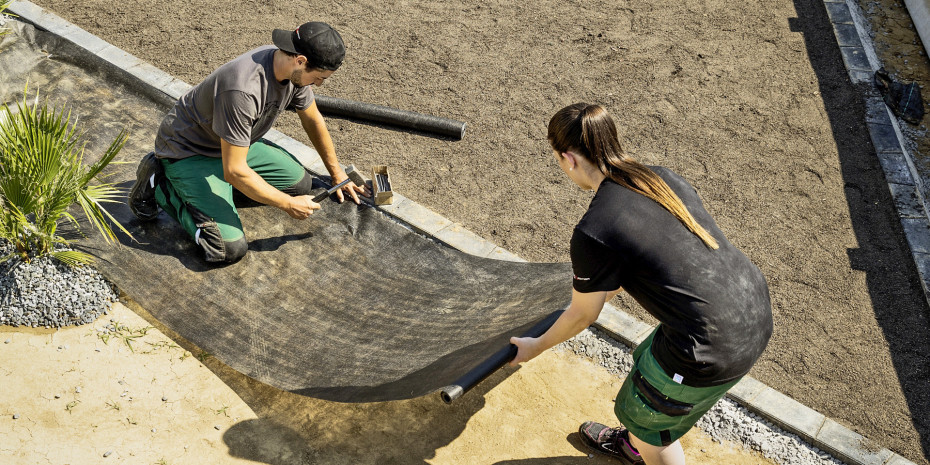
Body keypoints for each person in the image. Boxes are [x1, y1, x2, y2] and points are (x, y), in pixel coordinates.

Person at [510, 103, 773, 465]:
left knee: (649, 425)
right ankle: (633, 445)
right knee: (647, 362)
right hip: (752, 309)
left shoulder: (594, 231)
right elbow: (650, 261)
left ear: (567, 158)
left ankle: (643, 445)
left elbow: (582, 316)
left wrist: (534, 346)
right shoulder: (660, 177)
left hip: (710, 348)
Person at [129, 21, 368, 263]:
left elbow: (313, 120)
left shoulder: (289, 70)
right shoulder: (243, 90)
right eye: (319, 78)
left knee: (300, 185)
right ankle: (161, 184)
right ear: (301, 60)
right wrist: (287, 205)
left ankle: (213, 194)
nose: (319, 84)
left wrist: (337, 173)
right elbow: (234, 171)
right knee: (226, 248)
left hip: (230, 144)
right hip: (188, 151)